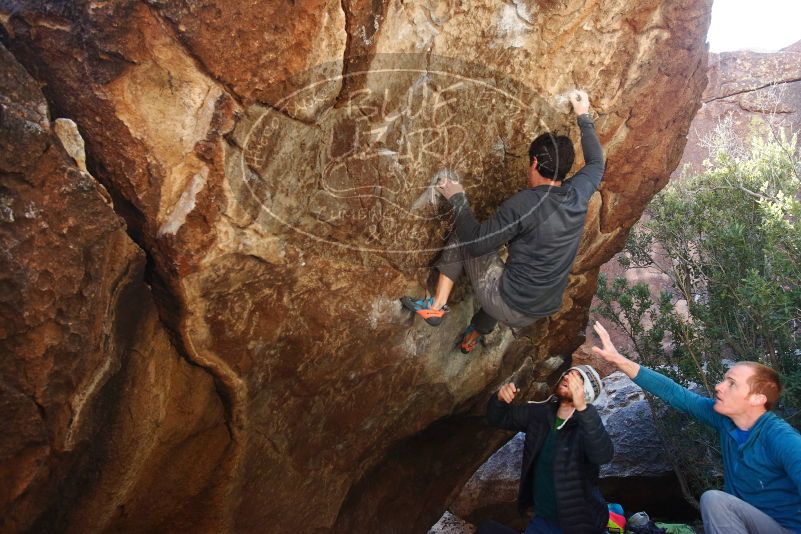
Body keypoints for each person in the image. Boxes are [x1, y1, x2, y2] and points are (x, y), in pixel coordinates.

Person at [400, 90, 605, 353]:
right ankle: (476, 332)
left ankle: (435, 307)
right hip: (540, 308)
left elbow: (475, 244)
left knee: (466, 236)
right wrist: (583, 115)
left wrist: (458, 198)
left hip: (509, 303)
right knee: (514, 272)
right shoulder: (578, 192)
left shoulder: (524, 204)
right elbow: (596, 161)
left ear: (533, 163)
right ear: (565, 170)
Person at [591, 321, 801, 534]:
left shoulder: (782, 439)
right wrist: (618, 360)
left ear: (757, 399)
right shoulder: (725, 420)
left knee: (714, 500)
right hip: (748, 524)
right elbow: (675, 393)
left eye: (732, 383)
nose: (719, 386)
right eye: (724, 380)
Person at [482, 365, 614, 534]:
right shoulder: (541, 414)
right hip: (543, 518)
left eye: (577, 379)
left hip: (579, 524)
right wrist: (499, 399)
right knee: (486, 528)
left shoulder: (585, 427)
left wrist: (582, 407)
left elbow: (603, 455)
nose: (567, 377)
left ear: (586, 392)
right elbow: (499, 418)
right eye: (567, 374)